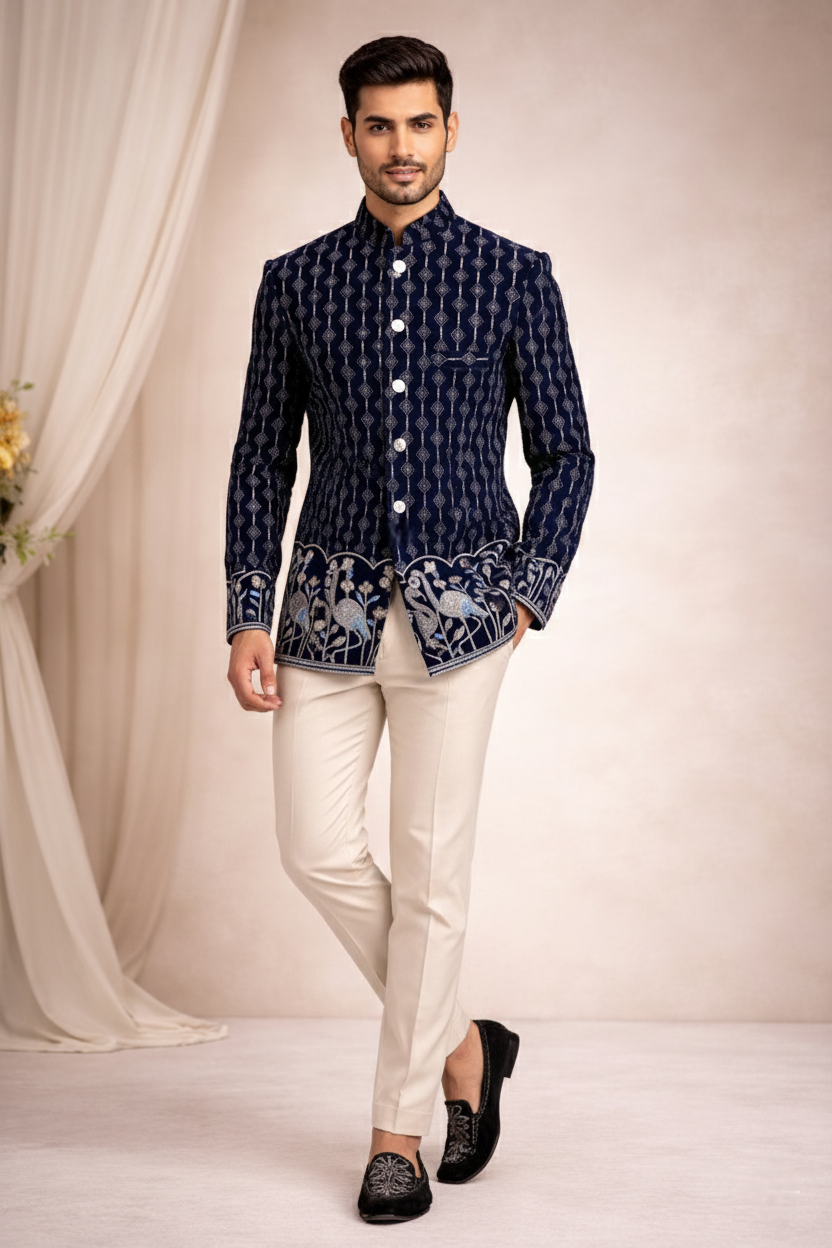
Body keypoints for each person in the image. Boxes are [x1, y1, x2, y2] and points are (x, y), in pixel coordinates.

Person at [224, 34, 594, 1224]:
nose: (400, 147)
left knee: (433, 872)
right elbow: (260, 458)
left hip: (465, 617)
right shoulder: (295, 280)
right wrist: (245, 609)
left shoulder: (513, 274)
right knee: (313, 846)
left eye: (419, 123)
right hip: (322, 615)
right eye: (378, 125)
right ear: (348, 134)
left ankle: (396, 1134)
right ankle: (467, 1047)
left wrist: (528, 589)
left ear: (450, 129)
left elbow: (566, 452)